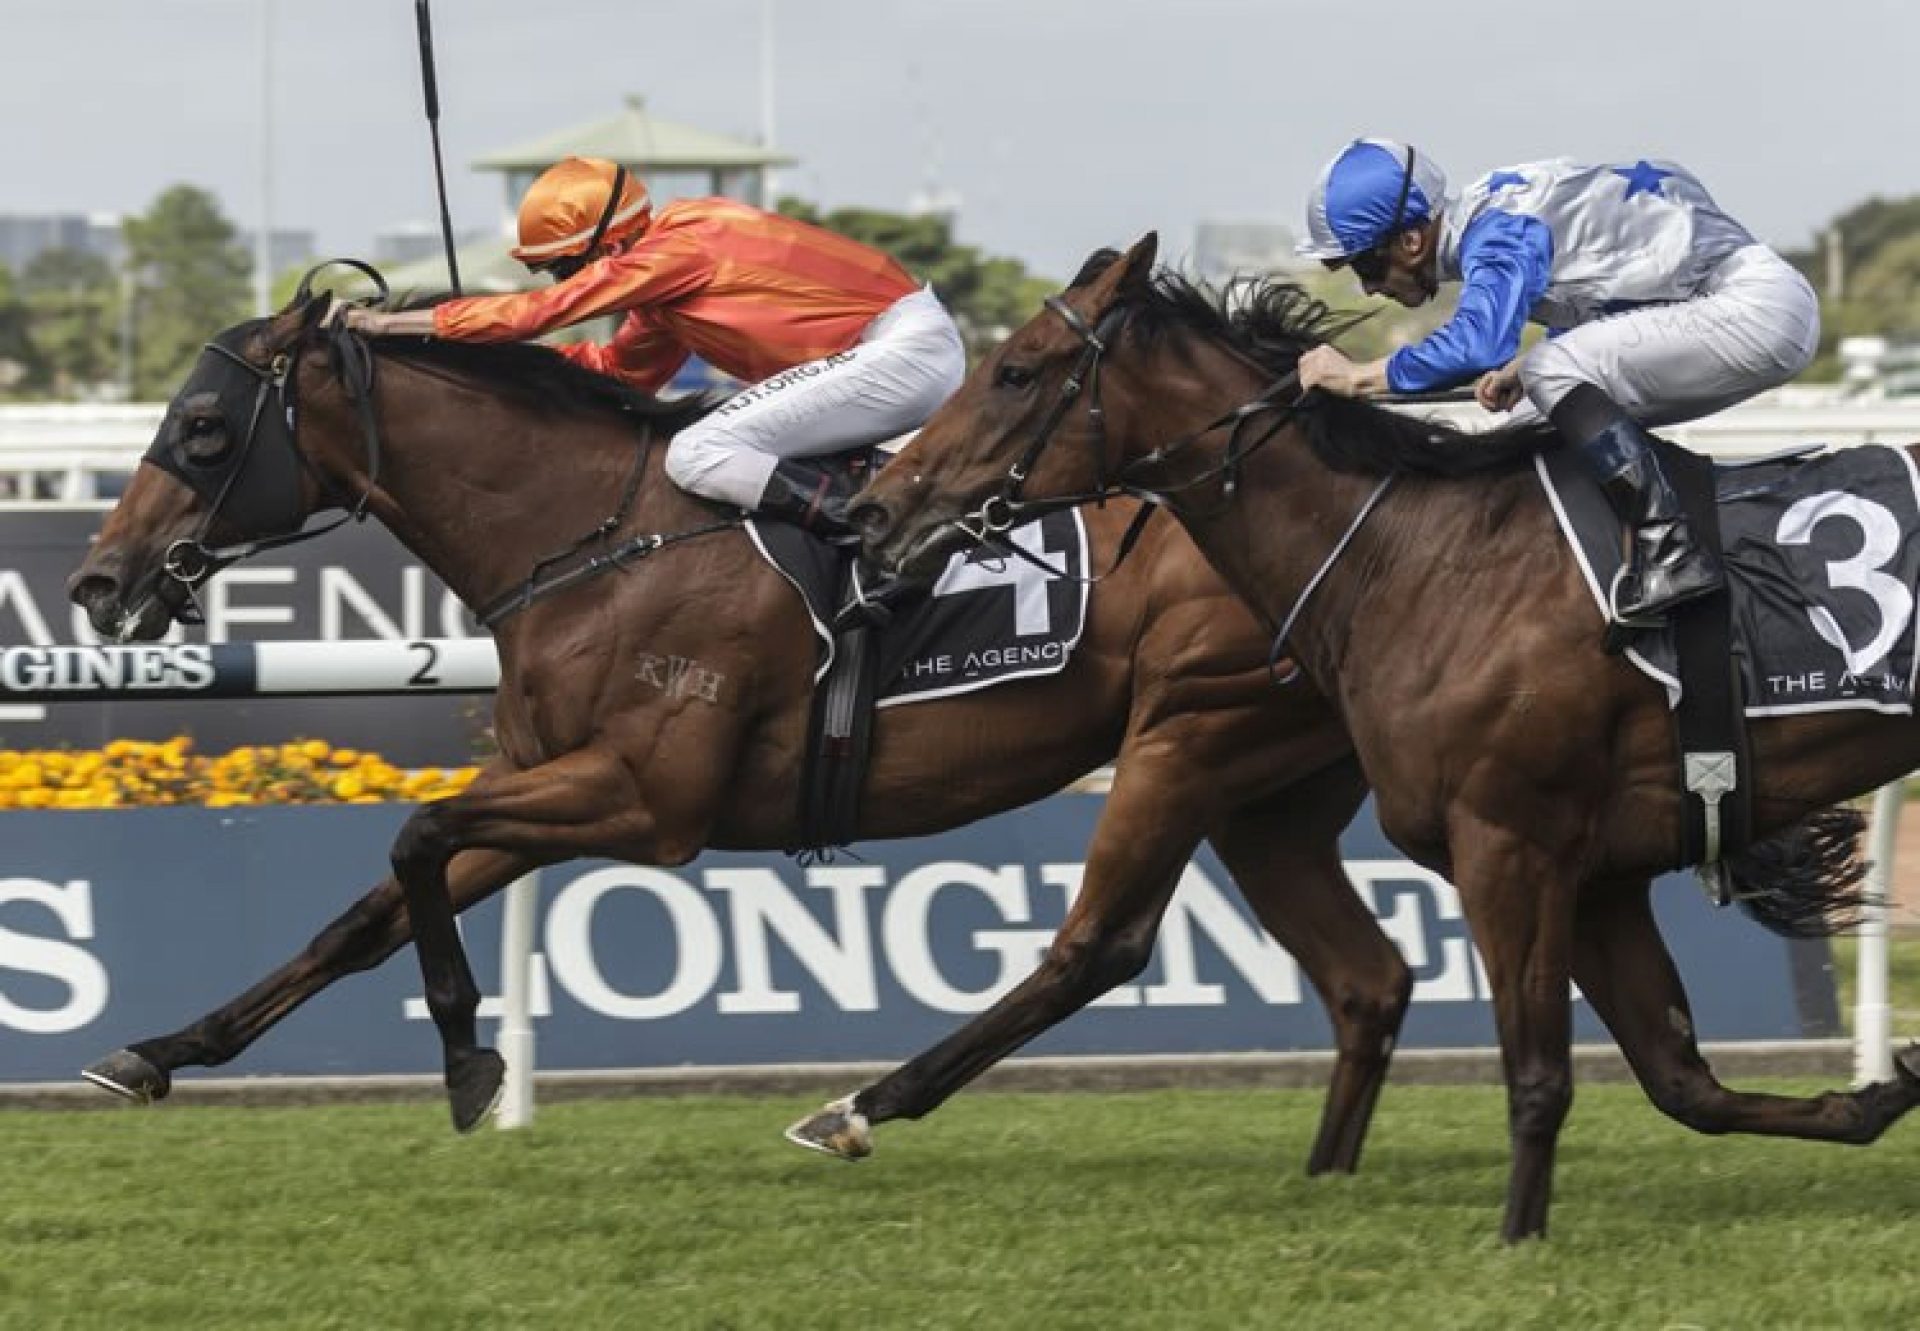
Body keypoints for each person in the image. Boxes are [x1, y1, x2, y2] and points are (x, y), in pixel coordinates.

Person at [343, 156, 966, 615]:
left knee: (698, 453)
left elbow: (542, 311)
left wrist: (384, 324)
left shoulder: (681, 247)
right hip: (892, 353)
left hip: (900, 351)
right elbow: (620, 371)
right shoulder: (667, 290)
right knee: (719, 447)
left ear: (609, 242)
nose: (563, 277)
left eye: (565, 264)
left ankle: (884, 535)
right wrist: (500, 377)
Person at [1292, 137, 1821, 630]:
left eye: (1366, 265)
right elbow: (1610, 276)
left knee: (1551, 369)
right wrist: (1527, 367)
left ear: (1410, 240)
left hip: (1755, 307)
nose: (1366, 288)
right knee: (1522, 426)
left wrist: (1360, 376)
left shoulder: (1495, 229)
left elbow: (1479, 345)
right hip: (1728, 301)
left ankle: (1670, 549)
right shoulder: (1491, 214)